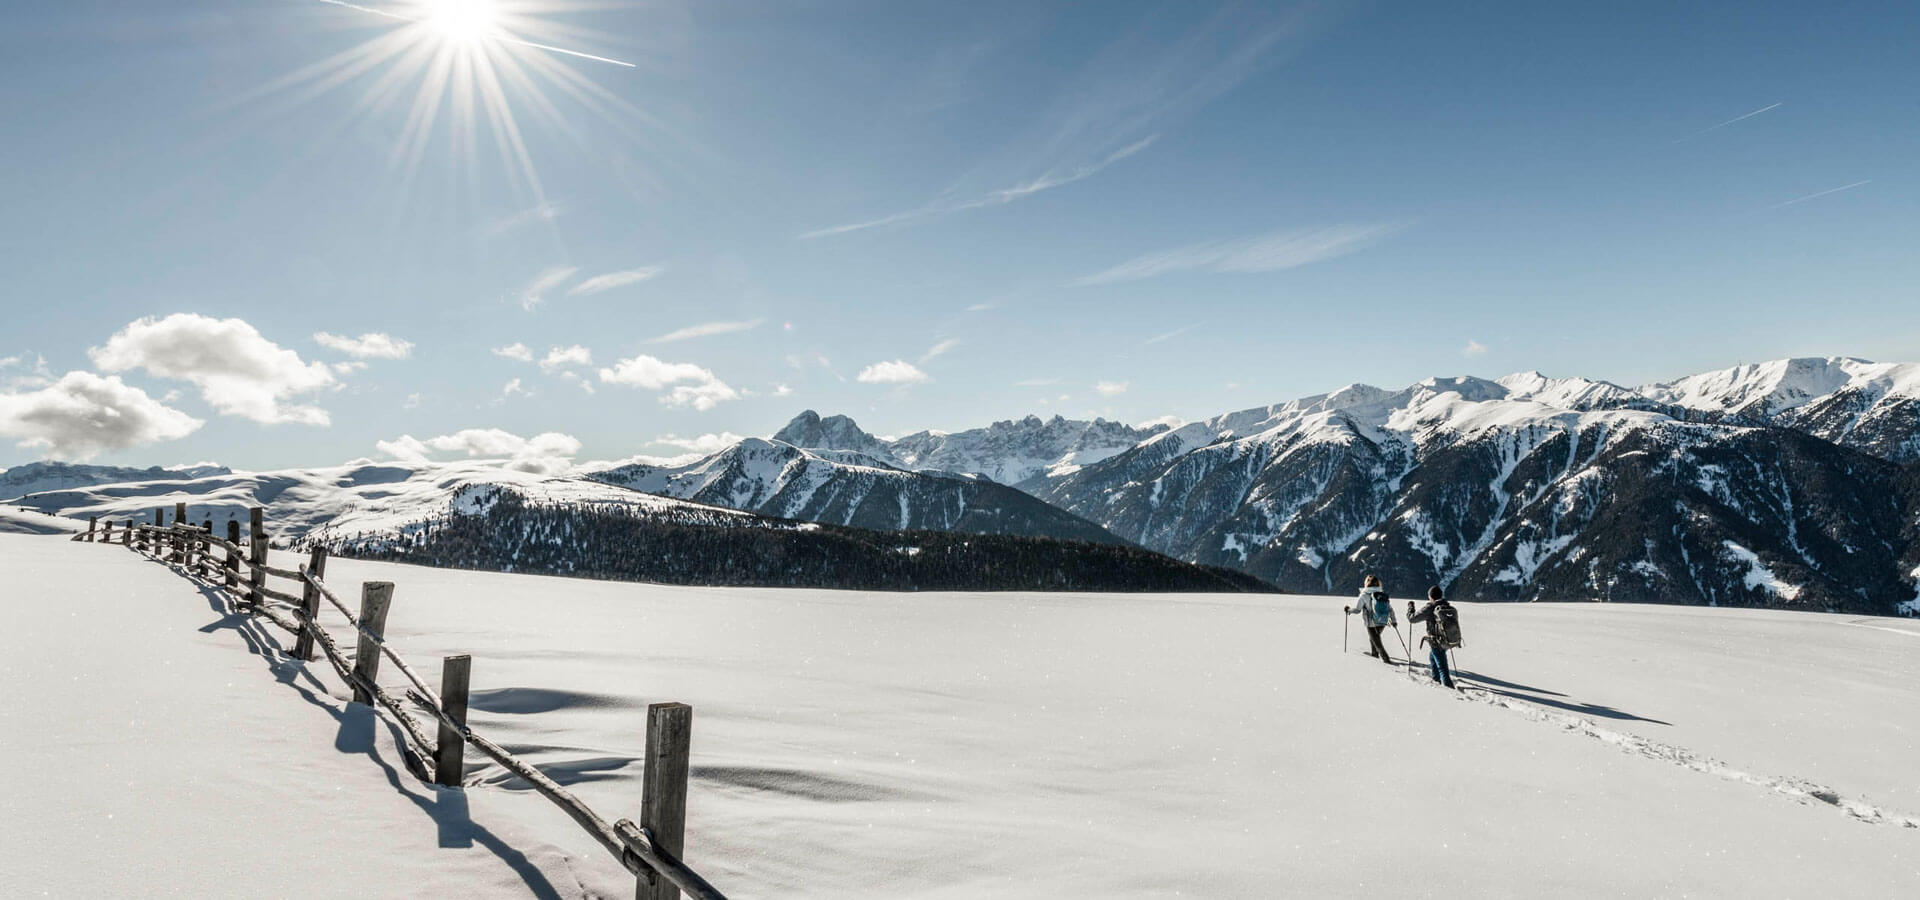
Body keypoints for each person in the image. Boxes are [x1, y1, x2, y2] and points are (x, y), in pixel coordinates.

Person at [1408, 586, 1457, 688]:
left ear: (1431, 596)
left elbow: (1412, 619)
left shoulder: (1430, 608)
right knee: (1433, 658)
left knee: (1442, 668)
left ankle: (1450, 689)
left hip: (1436, 641)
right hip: (1446, 640)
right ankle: (1436, 681)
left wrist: (1410, 608)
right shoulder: (1446, 605)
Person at [1344, 575, 1396, 665]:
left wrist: (1349, 610)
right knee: (1374, 638)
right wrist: (1394, 621)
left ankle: (1386, 660)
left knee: (1377, 642)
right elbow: (1390, 609)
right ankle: (1374, 655)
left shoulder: (1364, 595)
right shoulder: (1382, 594)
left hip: (1371, 623)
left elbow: (1357, 610)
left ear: (1366, 583)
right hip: (1382, 622)